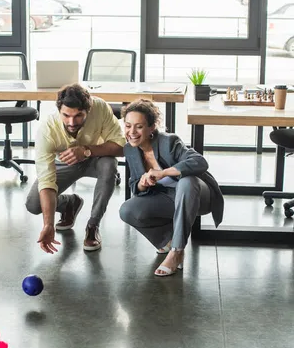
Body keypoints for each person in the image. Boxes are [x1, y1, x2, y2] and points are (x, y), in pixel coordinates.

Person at [119, 99, 224, 276]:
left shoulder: (169, 142)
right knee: (127, 210)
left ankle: (177, 251)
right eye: (128, 126)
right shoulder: (130, 149)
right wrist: (142, 183)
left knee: (186, 182)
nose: (131, 132)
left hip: (198, 196)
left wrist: (165, 173)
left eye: (139, 126)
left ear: (152, 128)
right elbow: (134, 187)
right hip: (169, 198)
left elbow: (200, 162)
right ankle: (166, 241)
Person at [25, 83, 125, 254]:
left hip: (96, 157)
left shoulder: (99, 107)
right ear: (59, 110)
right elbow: (47, 181)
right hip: (64, 162)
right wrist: (48, 224)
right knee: (34, 205)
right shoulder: (47, 131)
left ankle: (93, 225)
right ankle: (69, 203)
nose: (72, 122)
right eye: (66, 115)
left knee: (109, 164)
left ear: (89, 109)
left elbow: (121, 148)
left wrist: (86, 151)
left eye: (79, 115)